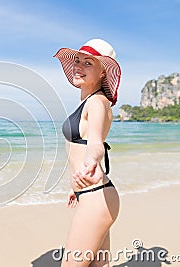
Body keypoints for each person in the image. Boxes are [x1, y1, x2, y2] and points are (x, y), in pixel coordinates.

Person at [54, 39, 121, 267]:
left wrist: (90, 164)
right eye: (78, 60)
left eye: (88, 63)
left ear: (103, 72)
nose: (79, 66)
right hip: (94, 194)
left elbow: (95, 144)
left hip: (96, 197)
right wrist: (76, 188)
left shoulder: (97, 103)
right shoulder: (92, 102)